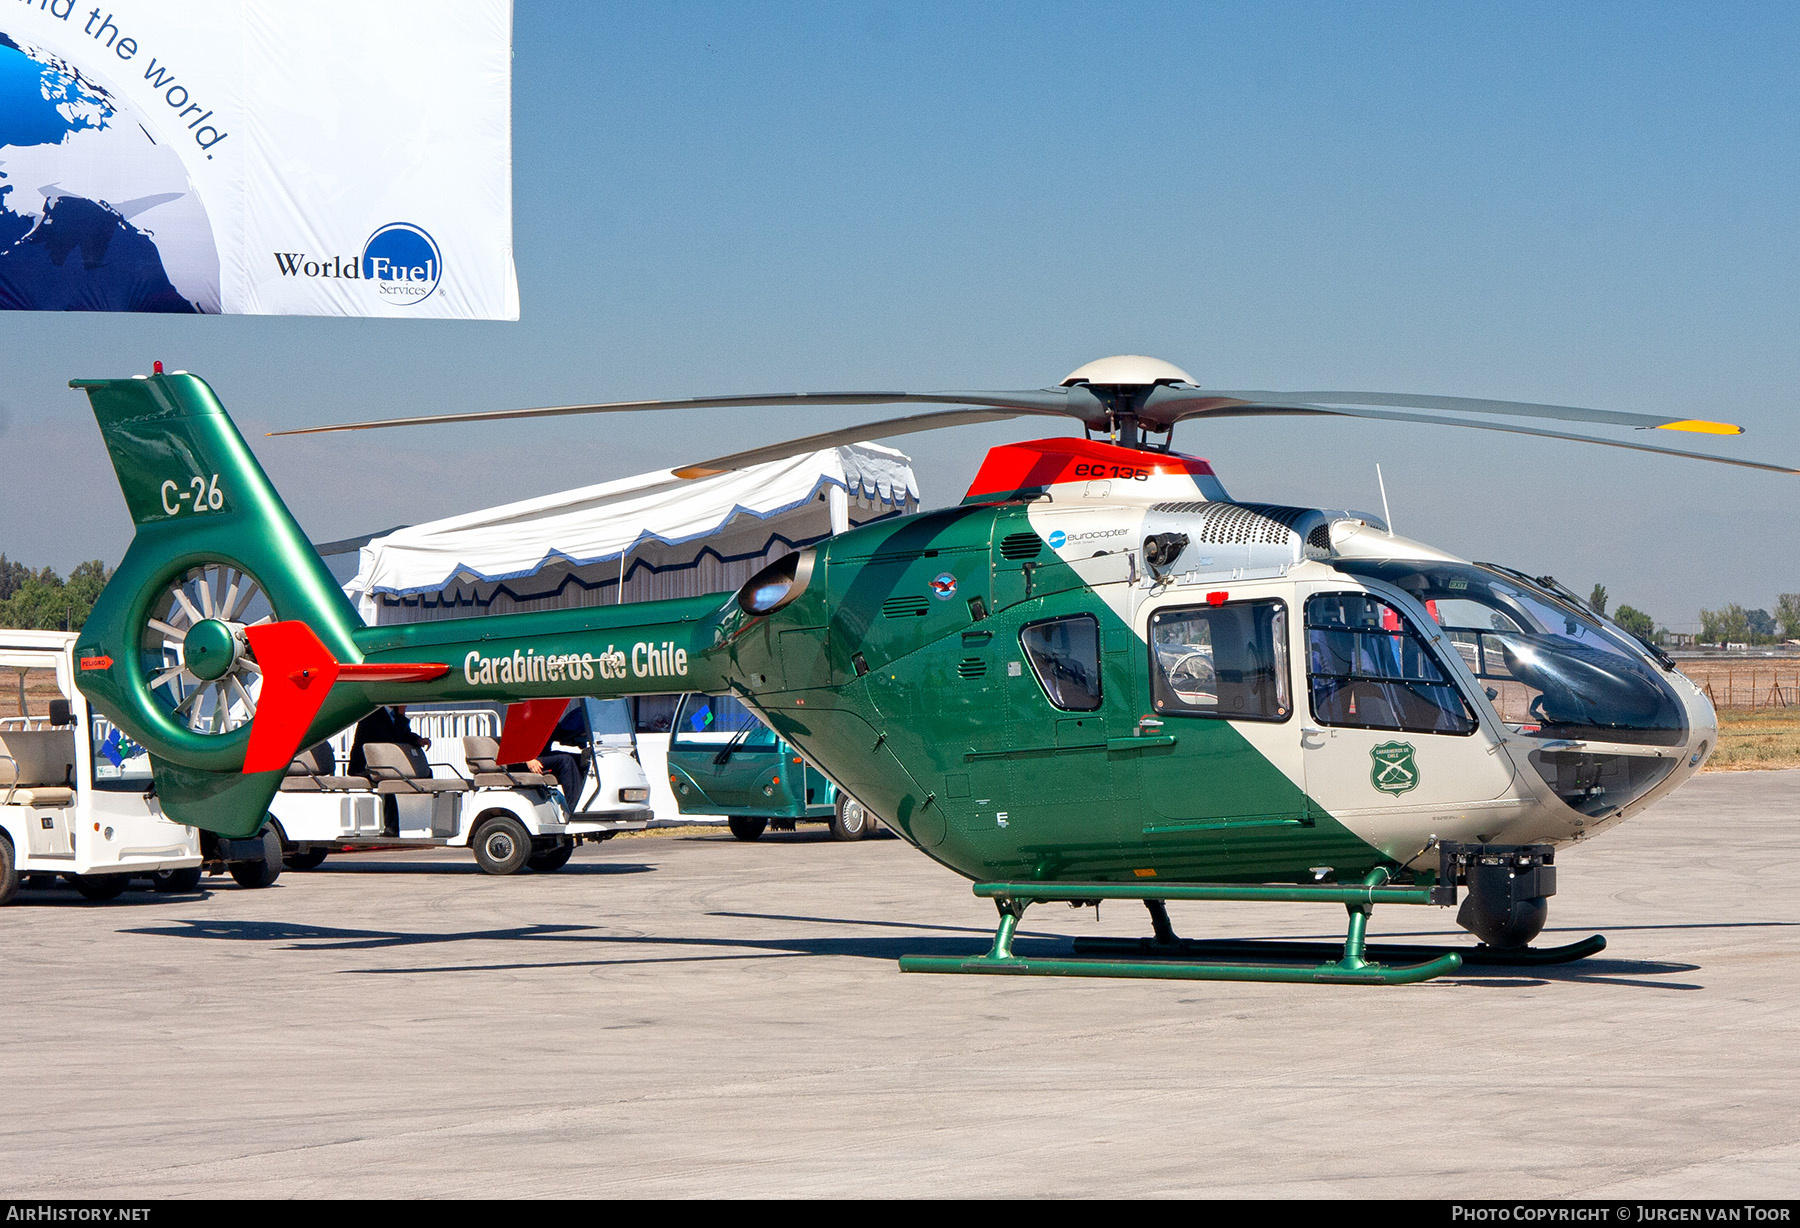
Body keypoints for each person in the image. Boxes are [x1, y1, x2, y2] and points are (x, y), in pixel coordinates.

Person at [349, 705, 430, 836]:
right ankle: (391, 828)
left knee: (426, 773)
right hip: (366, 767)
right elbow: (392, 737)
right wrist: (401, 716)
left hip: (383, 765)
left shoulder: (392, 714)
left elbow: (404, 734)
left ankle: (423, 821)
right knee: (390, 783)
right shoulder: (373, 714)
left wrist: (418, 740)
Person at [516, 701, 588, 819]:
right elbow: (514, 743)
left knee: (582, 759)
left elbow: (563, 735)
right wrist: (528, 759)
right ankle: (575, 809)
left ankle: (586, 803)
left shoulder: (545, 720)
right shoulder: (523, 720)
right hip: (522, 761)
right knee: (565, 760)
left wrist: (583, 734)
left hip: (542, 757)